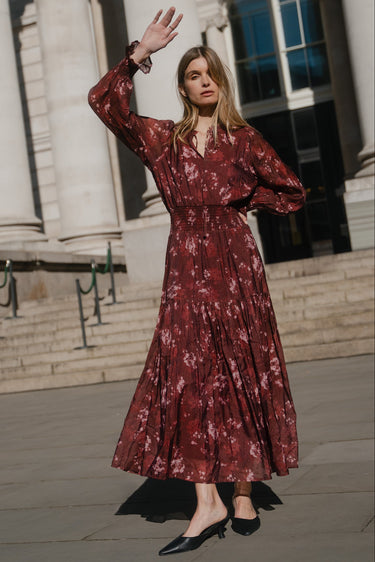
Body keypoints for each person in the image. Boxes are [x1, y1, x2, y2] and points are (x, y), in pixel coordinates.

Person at [88, 6, 306, 557]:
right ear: (184, 87)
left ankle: (243, 488)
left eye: (210, 73)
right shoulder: (164, 140)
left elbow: (291, 191)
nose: (203, 81)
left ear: (221, 82)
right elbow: (103, 104)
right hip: (186, 262)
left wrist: (237, 203)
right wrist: (141, 54)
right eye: (192, 75)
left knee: (238, 368)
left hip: (235, 264)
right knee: (188, 373)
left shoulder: (245, 140)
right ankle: (206, 499)